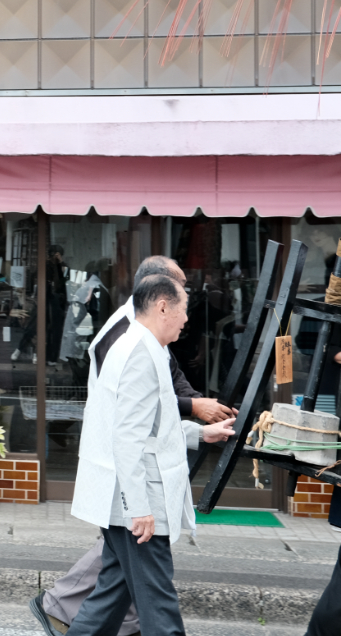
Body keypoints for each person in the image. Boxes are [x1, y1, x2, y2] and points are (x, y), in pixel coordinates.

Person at [31, 255, 236, 636]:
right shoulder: (139, 353)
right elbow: (127, 438)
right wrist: (139, 509)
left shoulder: (142, 344)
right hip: (137, 501)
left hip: (126, 497)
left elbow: (147, 427)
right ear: (162, 306)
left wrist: (199, 434)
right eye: (184, 309)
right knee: (159, 607)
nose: (187, 319)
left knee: (109, 599)